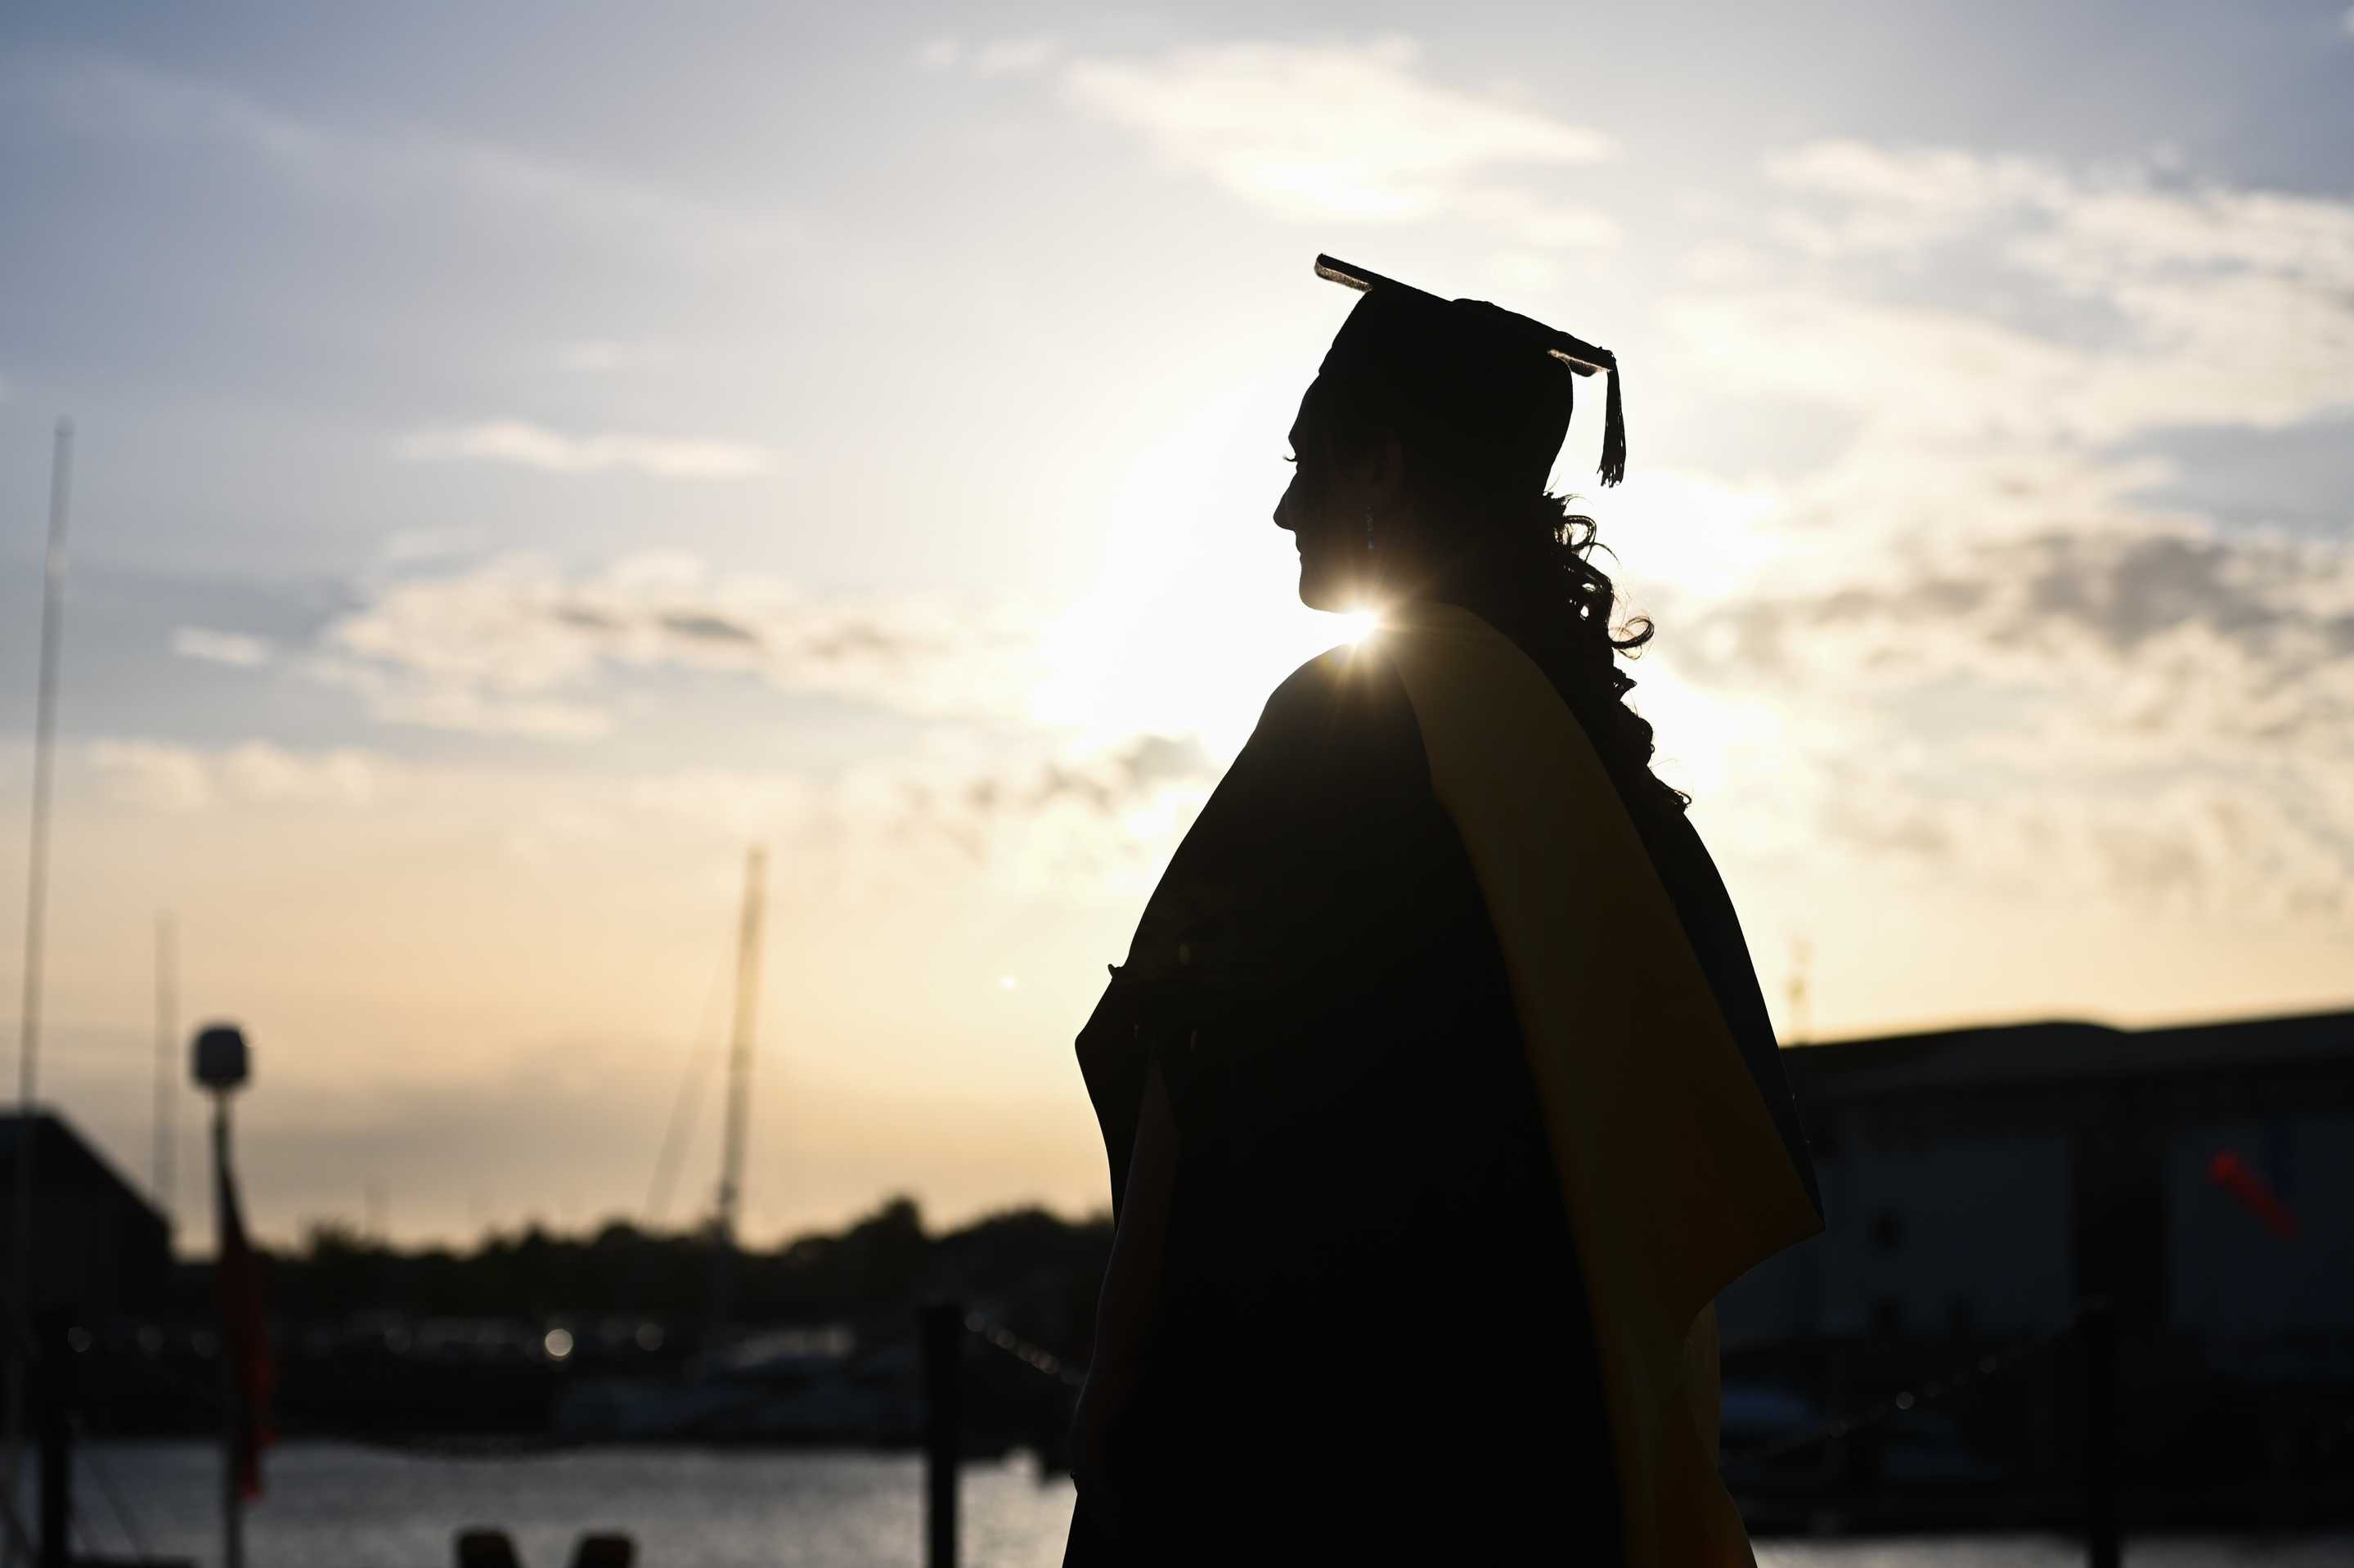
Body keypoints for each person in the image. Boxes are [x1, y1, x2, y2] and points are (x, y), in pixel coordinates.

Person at [1064, 257, 1824, 1566]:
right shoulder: (1606, 775)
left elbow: (1187, 1076)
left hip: (1315, 1440)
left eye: (1312, 459)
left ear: (1384, 470)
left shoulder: (1353, 717)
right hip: (1541, 1445)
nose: (1283, 503)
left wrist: (1111, 1410)